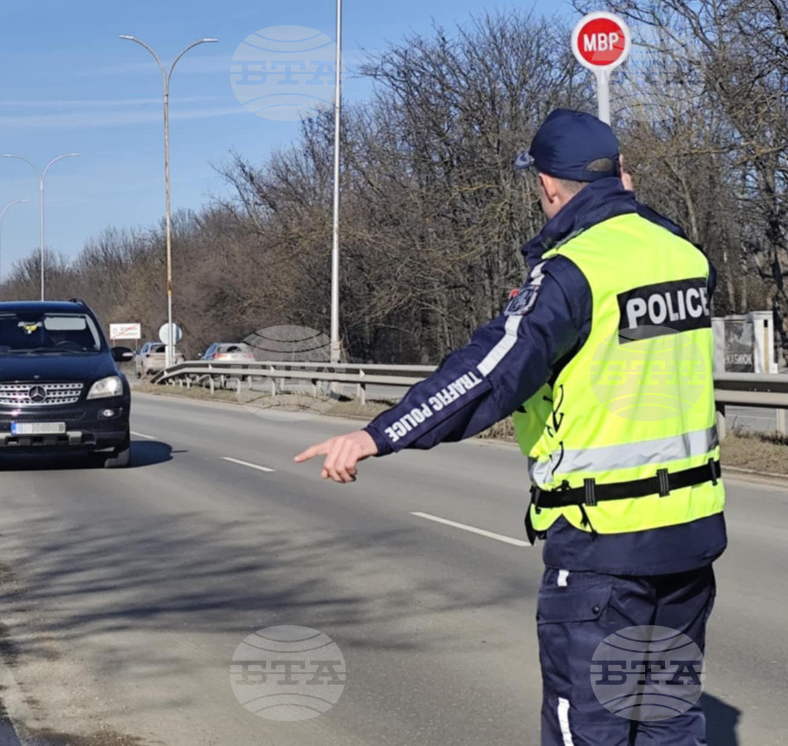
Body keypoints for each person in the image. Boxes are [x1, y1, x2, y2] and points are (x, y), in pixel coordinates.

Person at [295, 108, 725, 745]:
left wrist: (377, 434)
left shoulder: (573, 270)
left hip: (602, 544)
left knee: (589, 729)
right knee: (668, 724)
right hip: (689, 539)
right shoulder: (684, 254)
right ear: (620, 175)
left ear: (549, 186)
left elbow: (490, 373)